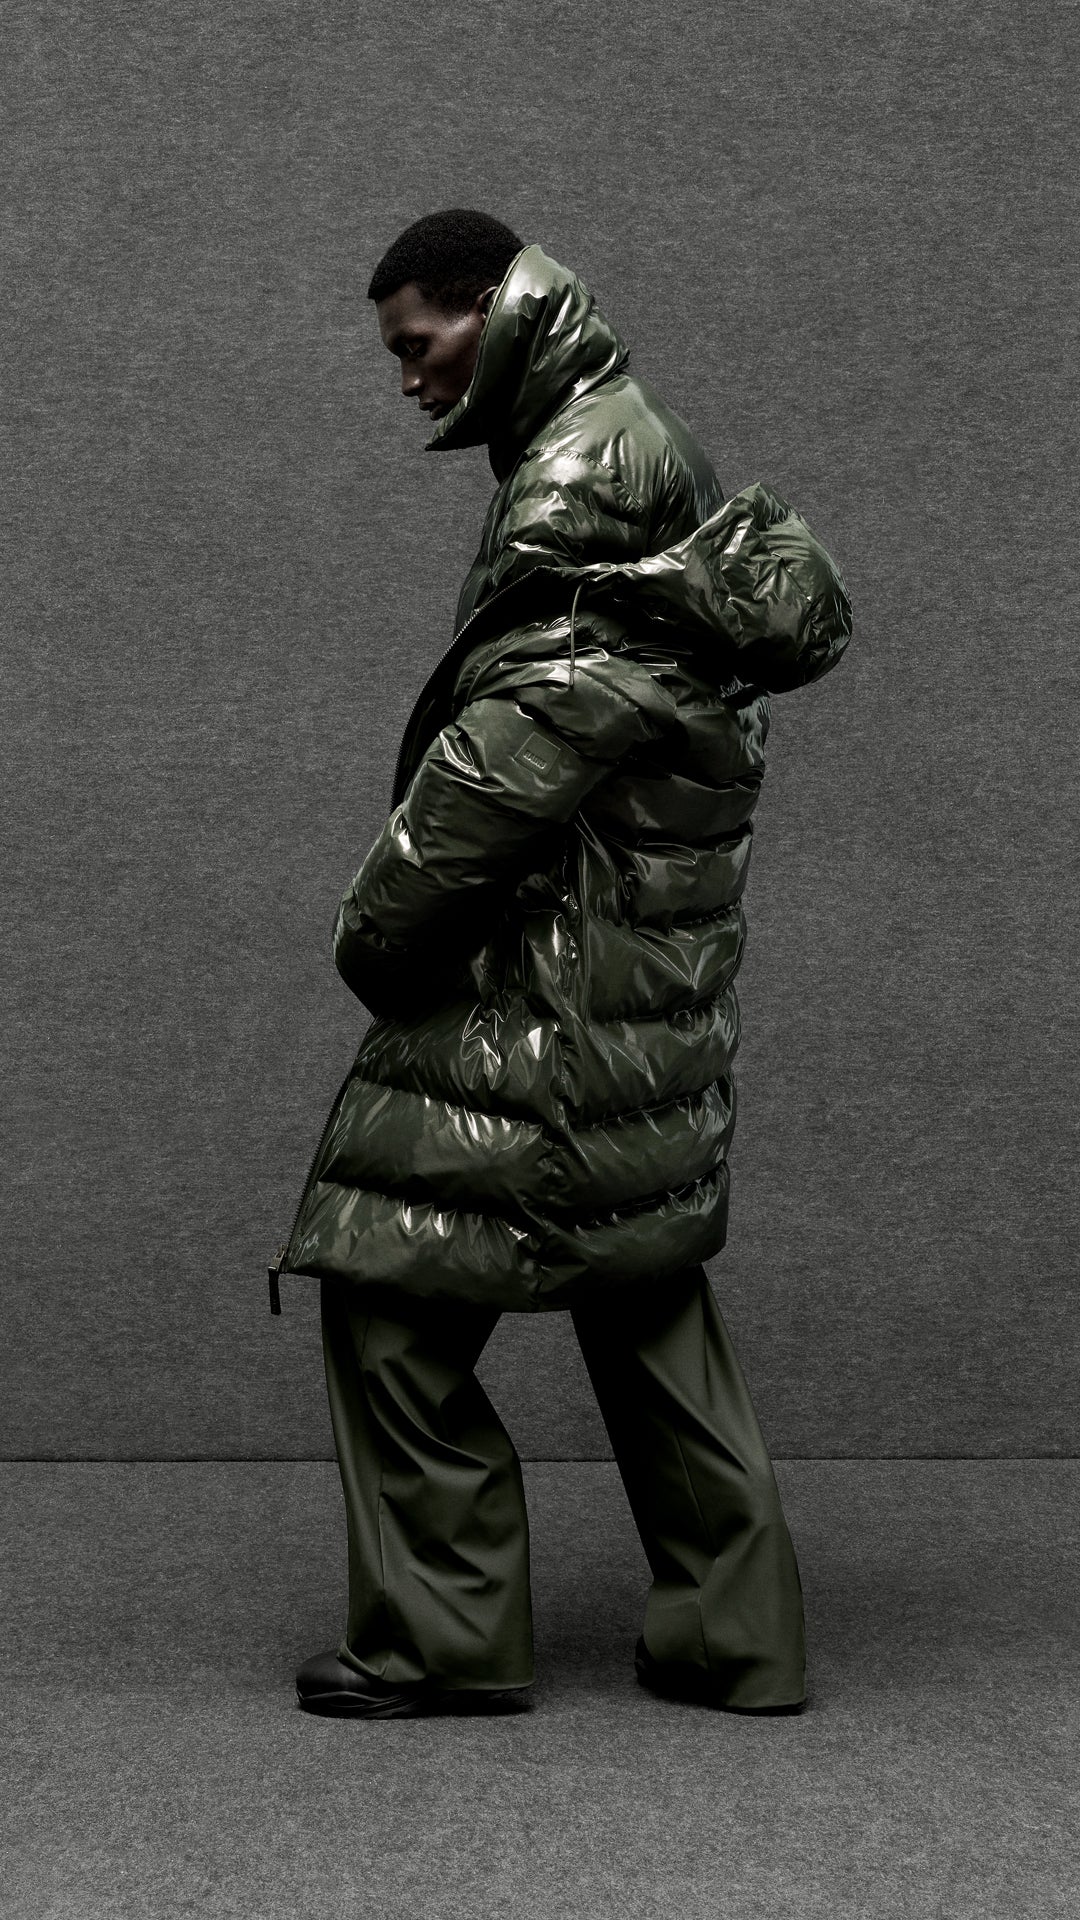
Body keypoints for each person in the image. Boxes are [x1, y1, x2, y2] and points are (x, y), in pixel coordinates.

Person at [272, 208, 852, 1720]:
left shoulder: (578, 497)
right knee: (643, 1288)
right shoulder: (641, 466)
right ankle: (738, 1635)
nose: (408, 379)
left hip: (552, 1001)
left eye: (420, 345)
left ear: (496, 312)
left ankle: (444, 1639)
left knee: (389, 1294)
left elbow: (501, 770)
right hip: (642, 1006)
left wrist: (376, 932)